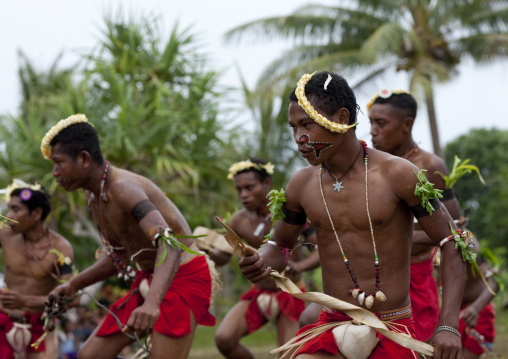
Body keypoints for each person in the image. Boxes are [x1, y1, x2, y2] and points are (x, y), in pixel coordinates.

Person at [238, 71, 468, 359]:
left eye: (306, 124)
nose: (299, 138)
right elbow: (280, 247)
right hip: (331, 325)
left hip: (391, 326)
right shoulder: (301, 184)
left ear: (342, 117)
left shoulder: (398, 174)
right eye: (293, 127)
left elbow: (453, 242)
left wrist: (449, 324)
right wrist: (260, 262)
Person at [41, 114, 216, 359]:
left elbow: (171, 245)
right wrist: (73, 284)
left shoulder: (122, 188)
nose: (55, 173)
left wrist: (152, 304)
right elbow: (119, 256)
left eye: (58, 163)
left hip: (183, 276)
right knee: (89, 356)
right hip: (153, 276)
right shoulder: (94, 199)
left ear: (83, 158)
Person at [367, 89, 463, 342]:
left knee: (416, 346)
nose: (373, 130)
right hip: (372, 277)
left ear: (406, 124)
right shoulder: (370, 165)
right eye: (371, 123)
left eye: (381, 123)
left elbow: (456, 232)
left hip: (416, 276)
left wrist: (394, 238)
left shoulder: (429, 167)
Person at [213, 158, 319, 359]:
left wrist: (300, 265)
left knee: (289, 356)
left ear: (267, 184)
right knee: (224, 339)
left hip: (290, 292)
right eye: (239, 189)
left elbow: (322, 248)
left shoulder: (288, 213)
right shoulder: (238, 220)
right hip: (258, 293)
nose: (243, 194)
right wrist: (209, 251)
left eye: (249, 187)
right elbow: (222, 257)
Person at [0, 180, 74, 359]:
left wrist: (25, 300)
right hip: (4, 320)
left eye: (15, 210)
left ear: (36, 213)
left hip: (40, 327)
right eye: (9, 209)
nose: (8, 216)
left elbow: (71, 300)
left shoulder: (61, 248)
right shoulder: (4, 234)